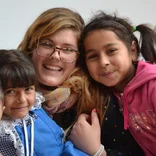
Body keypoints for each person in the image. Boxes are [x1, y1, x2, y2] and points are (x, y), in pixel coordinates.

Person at [69, 11, 156, 156]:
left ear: (132, 50)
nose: (103, 62)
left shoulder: (152, 85)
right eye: (93, 56)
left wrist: (98, 152)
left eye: (111, 51)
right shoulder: (113, 95)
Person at [18, 7, 106, 129]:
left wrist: (96, 148)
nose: (55, 55)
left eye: (68, 49)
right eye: (47, 44)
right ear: (30, 47)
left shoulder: (97, 100)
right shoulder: (6, 93)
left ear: (78, 57)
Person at [0, 49, 91, 156]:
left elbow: (59, 146)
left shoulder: (35, 112)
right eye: (10, 92)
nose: (22, 100)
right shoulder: (4, 133)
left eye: (28, 89)